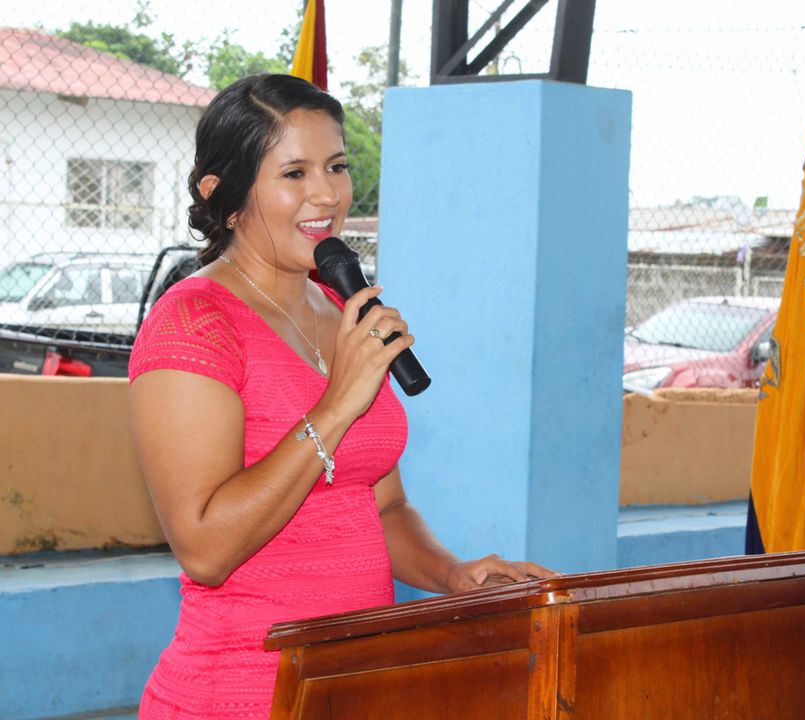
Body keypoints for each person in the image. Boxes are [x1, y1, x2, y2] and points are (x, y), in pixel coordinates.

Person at [128, 73, 554, 719]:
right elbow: (206, 549)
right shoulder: (194, 324)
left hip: (357, 685)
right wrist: (336, 404)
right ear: (223, 195)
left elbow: (382, 506)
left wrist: (451, 574)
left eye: (336, 166)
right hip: (243, 691)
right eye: (293, 173)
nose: (327, 193)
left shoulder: (340, 306)